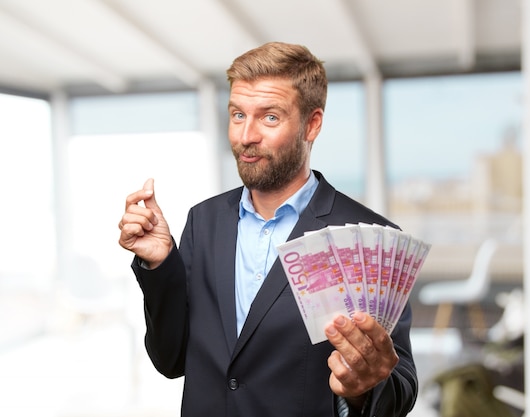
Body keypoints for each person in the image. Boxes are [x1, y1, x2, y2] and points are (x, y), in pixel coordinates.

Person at [118, 42, 418, 417]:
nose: (246, 136)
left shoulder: (371, 238)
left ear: (312, 124)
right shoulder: (203, 221)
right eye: (238, 115)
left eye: (270, 118)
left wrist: (361, 390)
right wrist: (161, 266)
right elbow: (171, 360)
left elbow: (401, 390)